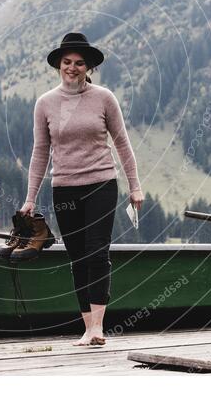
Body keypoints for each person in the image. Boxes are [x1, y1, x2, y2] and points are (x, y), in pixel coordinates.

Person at [20, 32, 143, 346]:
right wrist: (30, 197)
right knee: (77, 257)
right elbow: (40, 152)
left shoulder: (104, 98)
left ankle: (99, 327)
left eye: (79, 63)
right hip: (64, 189)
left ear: (88, 68)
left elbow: (122, 143)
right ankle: (87, 328)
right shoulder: (45, 104)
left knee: (97, 251)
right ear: (59, 66)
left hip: (101, 184)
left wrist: (135, 186)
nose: (72, 68)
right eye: (67, 63)